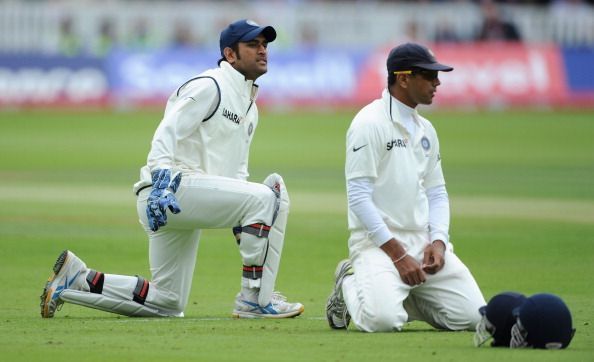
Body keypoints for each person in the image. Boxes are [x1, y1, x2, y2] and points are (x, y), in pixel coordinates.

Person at [40, 19, 304, 320]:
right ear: (230, 54)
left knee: (167, 303)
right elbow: (167, 131)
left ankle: (77, 279)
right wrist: (161, 178)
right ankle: (255, 298)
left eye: (265, 45)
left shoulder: (250, 107)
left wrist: (248, 228)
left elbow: (236, 178)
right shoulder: (210, 85)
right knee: (271, 195)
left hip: (187, 200)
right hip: (169, 190)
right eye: (253, 45)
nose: (262, 51)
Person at [326, 42, 485, 332]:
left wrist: (438, 240)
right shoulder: (369, 123)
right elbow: (359, 197)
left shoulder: (426, 129)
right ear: (403, 78)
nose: (437, 83)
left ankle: (397, 294)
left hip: (423, 244)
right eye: (428, 75)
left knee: (474, 318)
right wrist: (398, 255)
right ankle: (349, 281)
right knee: (382, 321)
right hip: (377, 244)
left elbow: (437, 192)